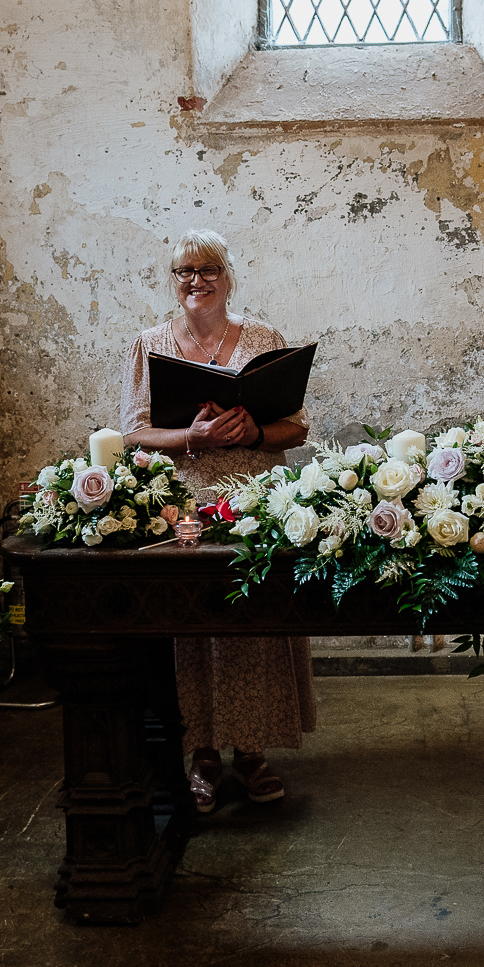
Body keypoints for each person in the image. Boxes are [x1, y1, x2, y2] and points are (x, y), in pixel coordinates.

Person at [121, 231, 315, 813]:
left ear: (228, 277)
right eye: (184, 270)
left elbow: (297, 428)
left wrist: (255, 431)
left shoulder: (263, 339)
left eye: (208, 269)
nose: (195, 279)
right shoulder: (150, 345)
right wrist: (191, 436)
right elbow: (132, 433)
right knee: (192, 627)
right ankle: (201, 753)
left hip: (254, 499)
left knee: (253, 619)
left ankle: (252, 751)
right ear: (171, 279)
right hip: (183, 503)